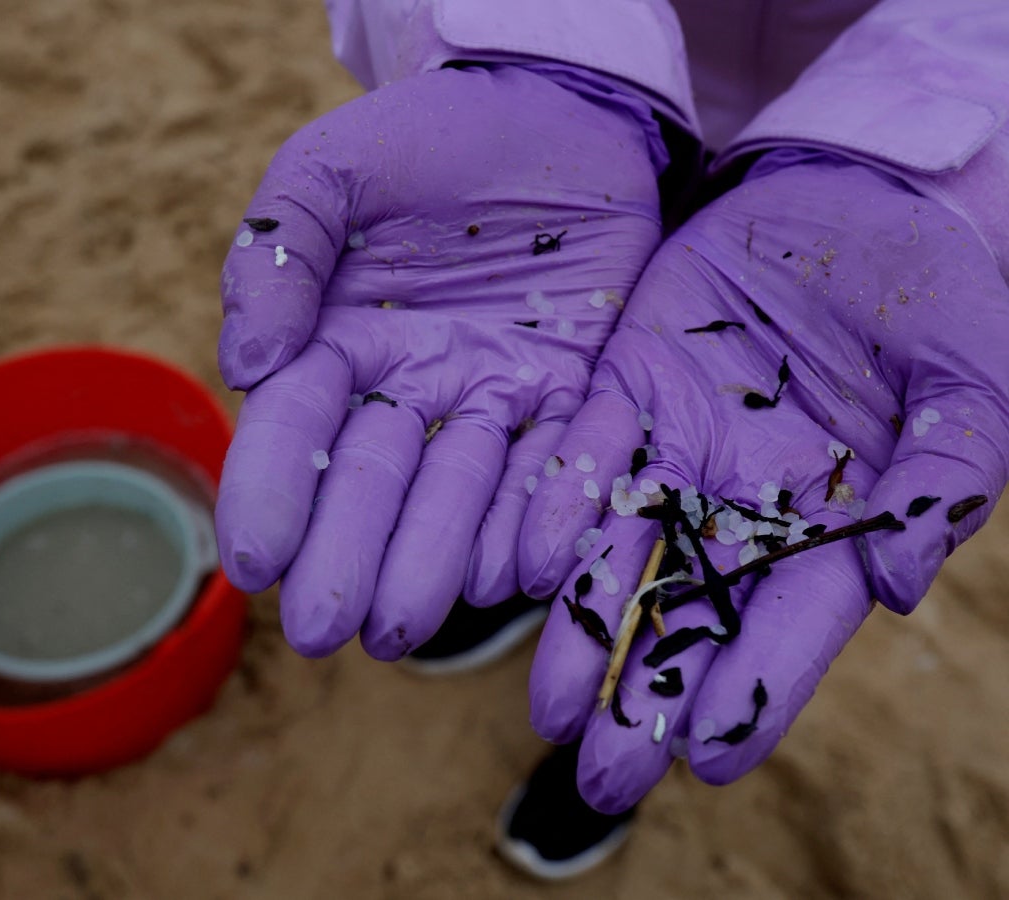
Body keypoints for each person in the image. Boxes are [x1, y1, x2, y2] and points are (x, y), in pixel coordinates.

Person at [214, 0, 1009, 879]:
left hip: (883, 167)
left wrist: (953, 176)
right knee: (562, 417)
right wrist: (531, 49)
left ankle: (623, 746)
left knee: (726, 580)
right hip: (592, 116)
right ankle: (518, 570)